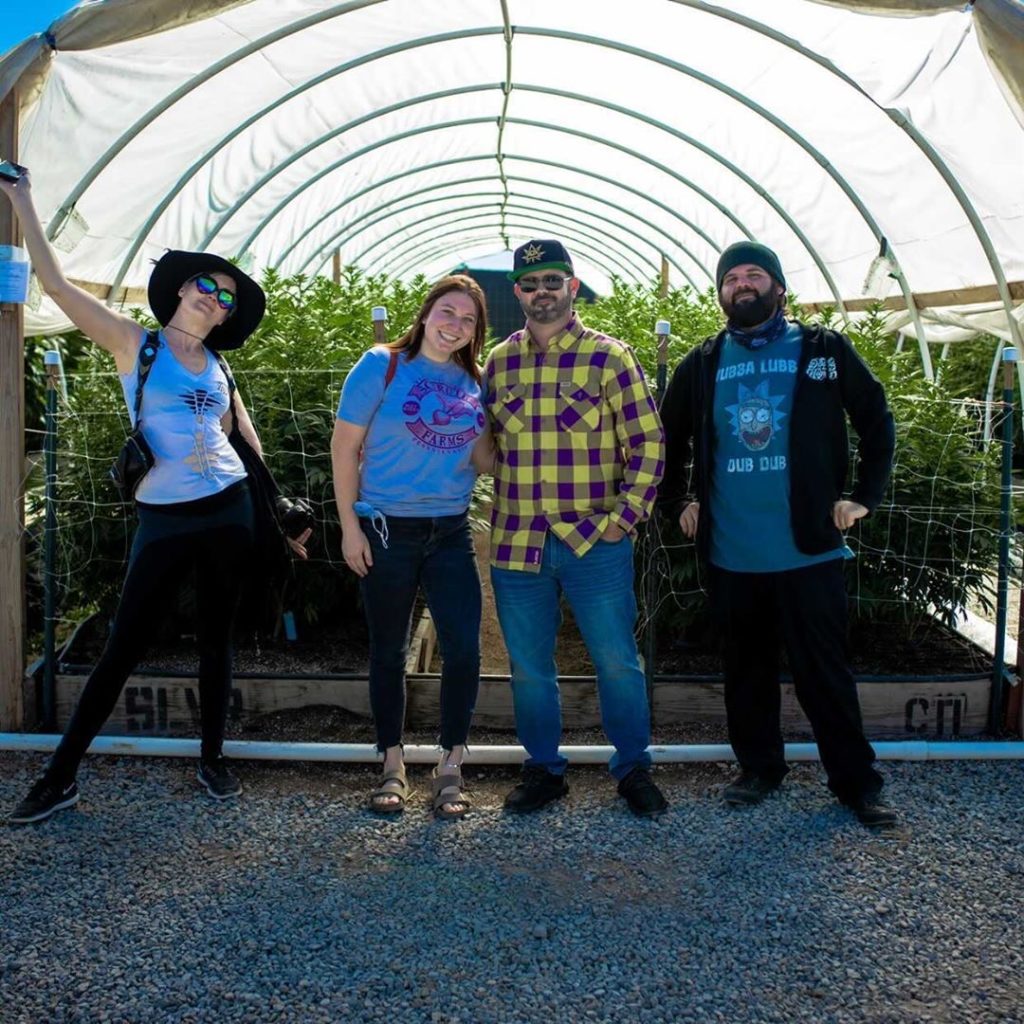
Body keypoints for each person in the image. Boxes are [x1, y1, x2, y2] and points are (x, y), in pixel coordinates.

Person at [3, 170, 310, 825]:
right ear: (177, 290)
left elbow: (246, 443)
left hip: (229, 512)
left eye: (225, 297)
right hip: (165, 521)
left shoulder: (220, 367)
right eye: (207, 286)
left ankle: (212, 759)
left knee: (217, 643)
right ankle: (60, 776)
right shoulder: (135, 347)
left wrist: (277, 516)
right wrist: (22, 200)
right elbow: (55, 287)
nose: (215, 300)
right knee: (123, 646)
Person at [658, 240, 898, 830]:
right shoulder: (703, 361)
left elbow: (876, 418)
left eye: (754, 275)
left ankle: (856, 782)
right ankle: (760, 768)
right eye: (732, 277)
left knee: (825, 671)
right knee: (746, 669)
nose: (743, 284)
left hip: (808, 547)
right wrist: (677, 501)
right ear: (720, 294)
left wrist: (862, 497)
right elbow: (667, 440)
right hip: (732, 552)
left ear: (778, 288)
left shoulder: (821, 350)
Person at [483, 239, 668, 818]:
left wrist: (624, 520)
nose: (542, 292)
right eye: (531, 283)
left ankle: (633, 767)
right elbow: (482, 444)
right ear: (518, 292)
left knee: (617, 660)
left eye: (553, 281)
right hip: (517, 542)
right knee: (530, 667)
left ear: (573, 286)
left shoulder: (609, 357)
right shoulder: (499, 362)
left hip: (595, 542)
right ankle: (543, 769)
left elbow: (649, 443)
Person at [332, 275, 492, 819]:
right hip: (385, 530)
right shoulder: (382, 365)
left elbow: (481, 457)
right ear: (426, 314)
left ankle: (451, 765)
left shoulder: (476, 381)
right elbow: (344, 446)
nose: (456, 326)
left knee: (465, 650)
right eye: (448, 312)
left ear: (477, 331)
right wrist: (349, 527)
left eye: (468, 320)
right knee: (389, 651)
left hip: (449, 530)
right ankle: (392, 764)